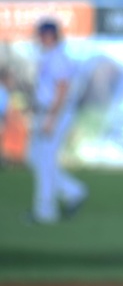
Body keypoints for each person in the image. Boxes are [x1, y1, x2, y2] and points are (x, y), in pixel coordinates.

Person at [27, 18, 89, 224]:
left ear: (50, 35)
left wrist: (51, 118)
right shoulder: (47, 56)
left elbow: (62, 89)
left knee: (45, 161)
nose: (38, 39)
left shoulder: (58, 58)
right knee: (35, 158)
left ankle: (45, 211)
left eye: (41, 34)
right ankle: (74, 191)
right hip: (45, 111)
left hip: (54, 113)